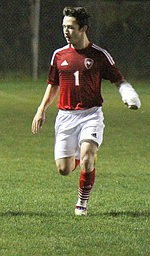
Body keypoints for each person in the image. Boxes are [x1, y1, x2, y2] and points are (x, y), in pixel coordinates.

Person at [31, 7, 141, 216]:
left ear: (83, 28)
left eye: (70, 27)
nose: (66, 31)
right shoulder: (59, 55)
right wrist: (41, 109)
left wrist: (129, 95)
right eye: (64, 27)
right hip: (65, 116)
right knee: (64, 169)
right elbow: (53, 84)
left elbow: (119, 79)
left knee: (88, 156)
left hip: (91, 114)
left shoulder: (99, 55)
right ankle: (80, 158)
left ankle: (81, 203)